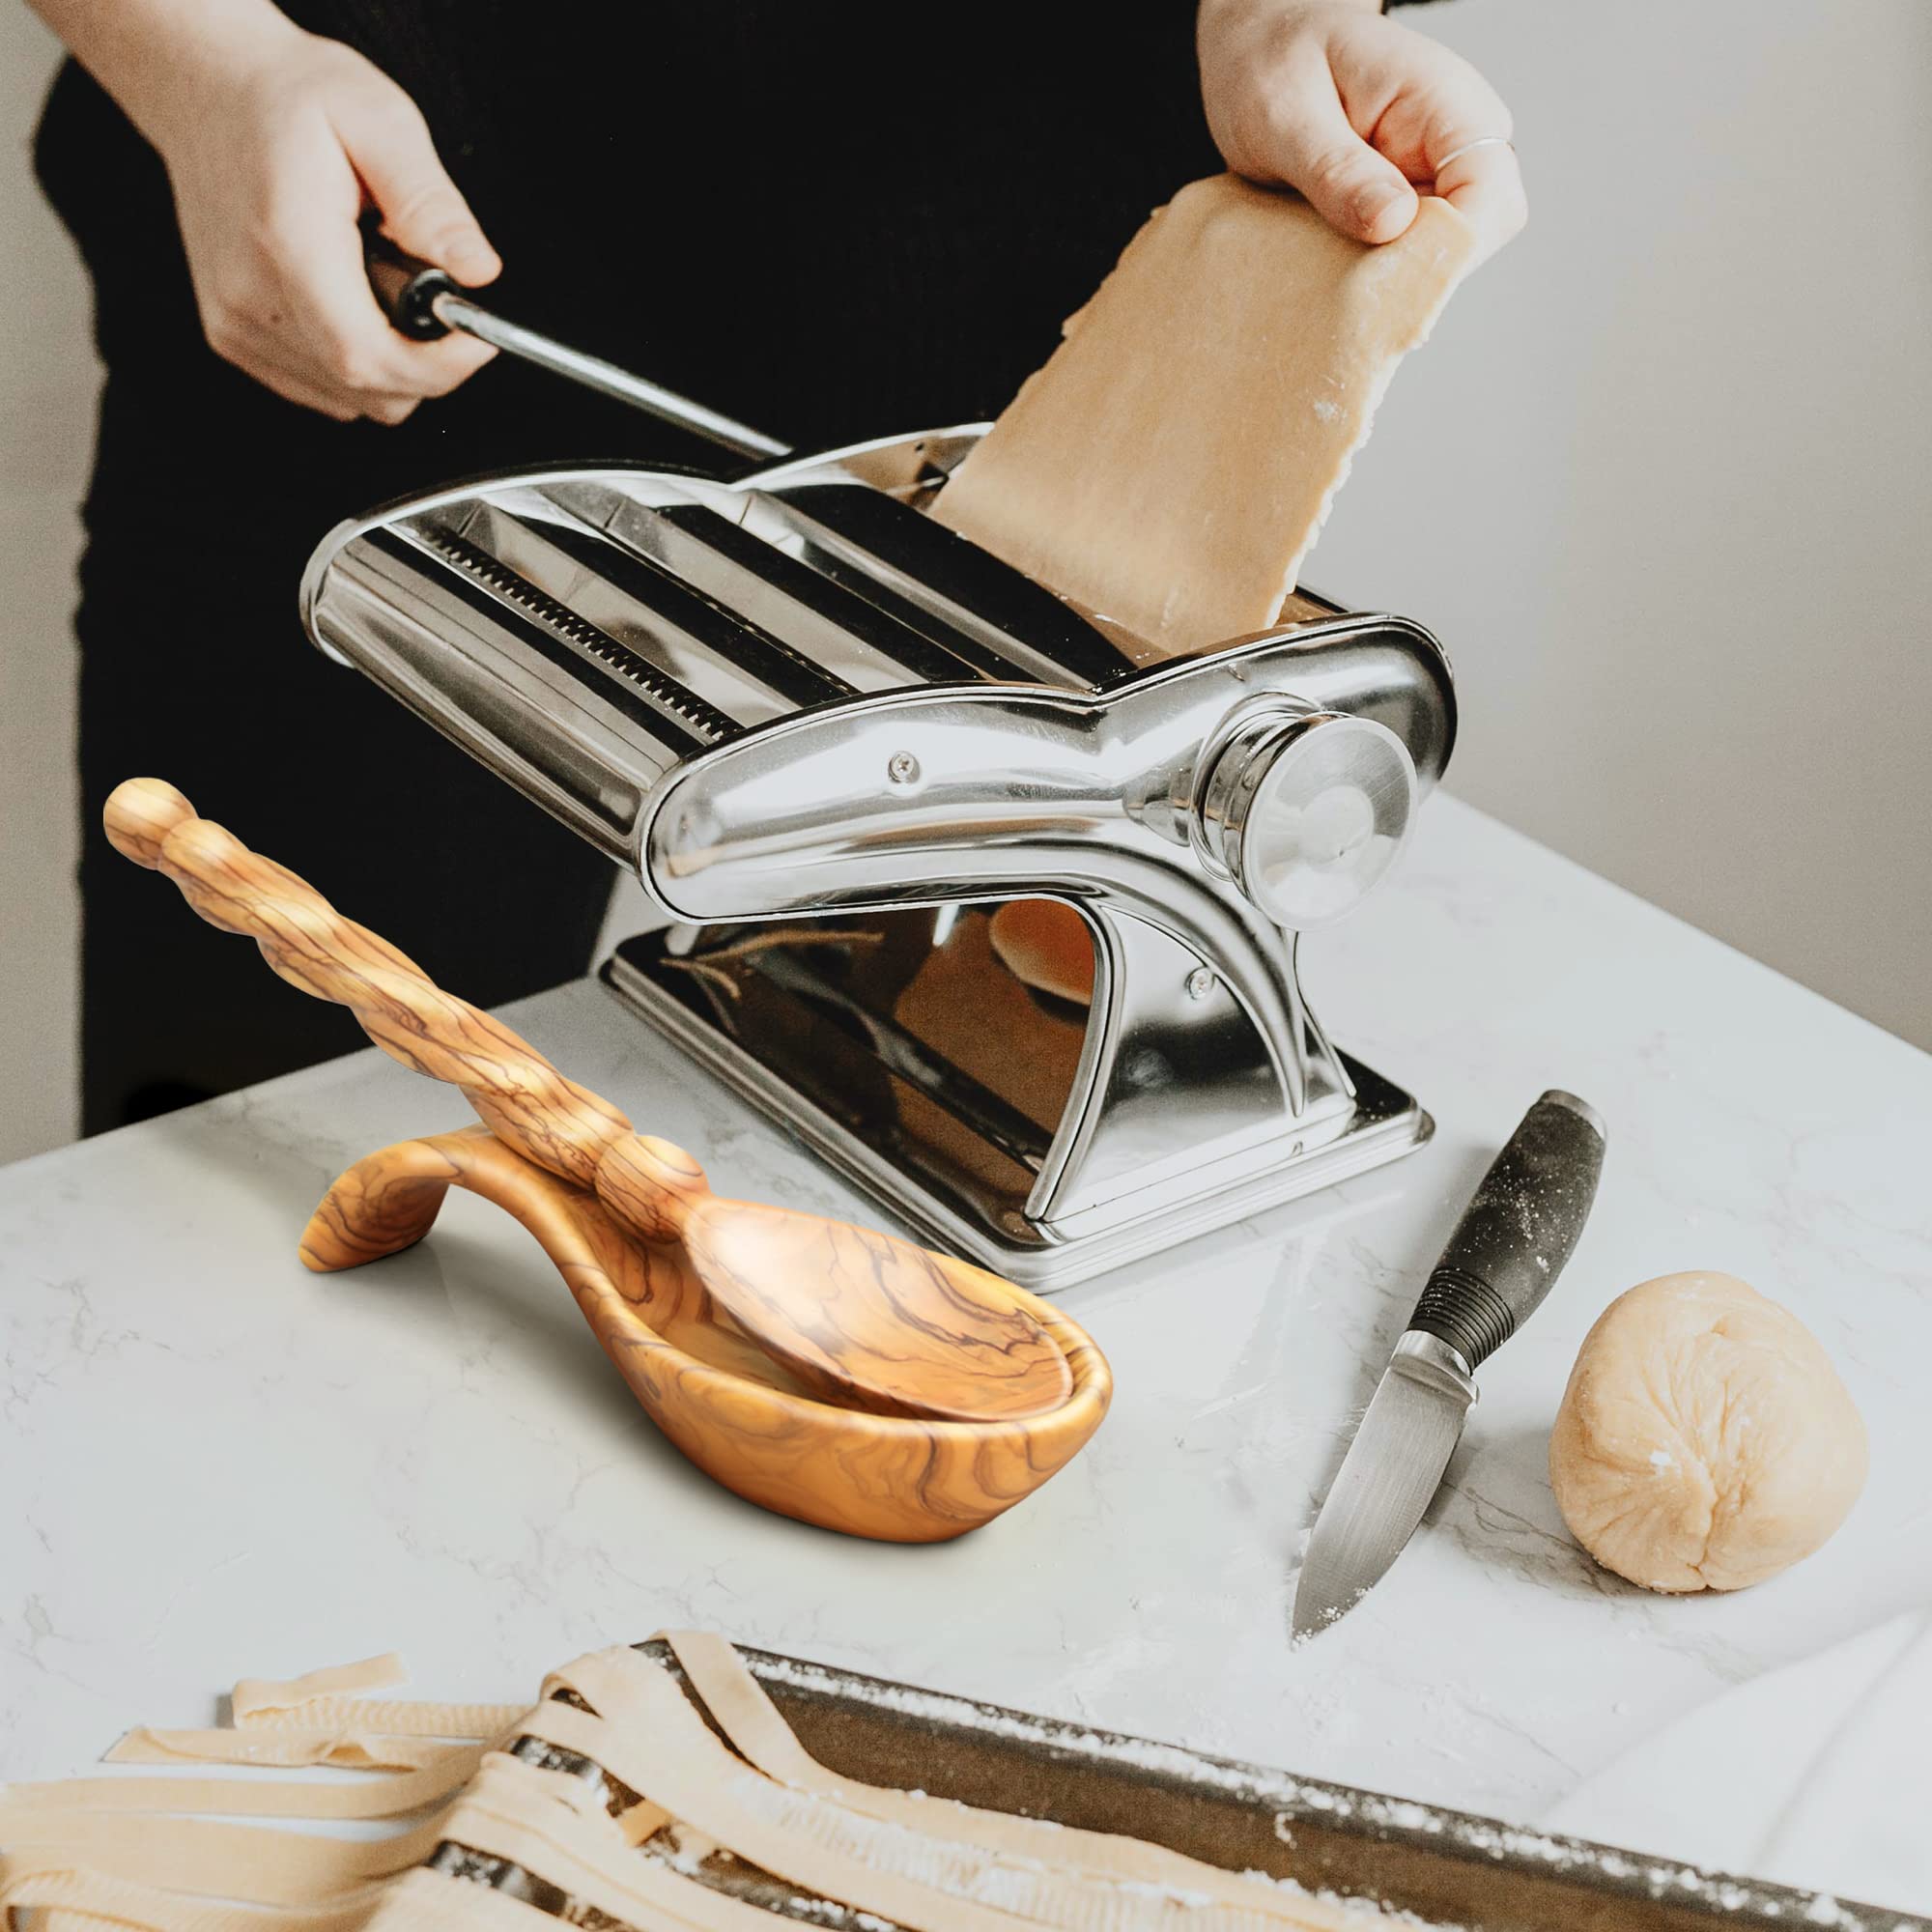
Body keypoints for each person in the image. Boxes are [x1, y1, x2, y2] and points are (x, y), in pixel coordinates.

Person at [26, 0, 1525, 1135]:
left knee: (951, 1145)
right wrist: (197, 55)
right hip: (357, 239)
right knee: (263, 1154)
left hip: (1009, 390)